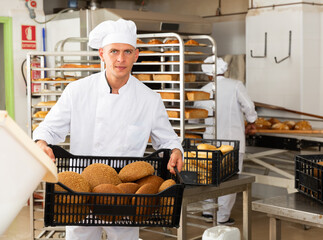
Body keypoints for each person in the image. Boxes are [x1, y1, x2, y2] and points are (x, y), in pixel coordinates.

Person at [33, 19, 183, 240]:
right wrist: (41, 143)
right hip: (81, 189)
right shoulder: (77, 91)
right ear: (102, 54)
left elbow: (167, 139)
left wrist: (176, 150)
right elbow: (49, 128)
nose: (120, 59)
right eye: (114, 51)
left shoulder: (149, 99)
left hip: (125, 192)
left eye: (127, 52)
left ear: (136, 55)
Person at [196, 56, 257, 225]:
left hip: (208, 143)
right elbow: (249, 107)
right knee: (229, 179)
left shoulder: (202, 90)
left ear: (208, 74)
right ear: (224, 69)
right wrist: (252, 121)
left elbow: (194, 121)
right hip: (232, 141)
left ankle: (208, 212)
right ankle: (222, 217)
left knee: (209, 176)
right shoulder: (235, 85)